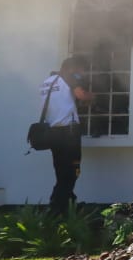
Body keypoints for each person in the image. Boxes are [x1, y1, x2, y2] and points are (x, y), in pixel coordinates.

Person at [39, 56, 93, 216]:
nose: (82, 74)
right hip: (69, 133)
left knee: (61, 171)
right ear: (73, 68)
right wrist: (92, 97)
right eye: (82, 70)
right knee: (73, 171)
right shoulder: (68, 78)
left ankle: (68, 206)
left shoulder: (47, 82)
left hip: (53, 133)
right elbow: (81, 95)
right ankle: (56, 207)